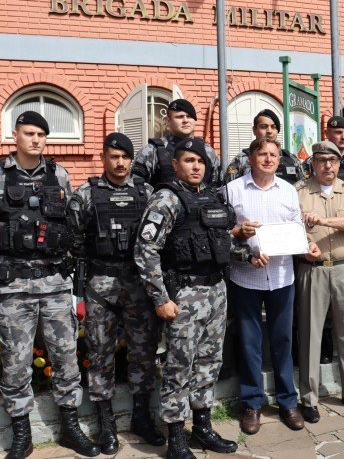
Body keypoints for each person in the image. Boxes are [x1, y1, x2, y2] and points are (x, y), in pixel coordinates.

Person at [0, 111, 99, 458]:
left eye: (41, 134)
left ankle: (70, 427)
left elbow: (71, 223)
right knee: (15, 360)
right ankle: (22, 434)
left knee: (67, 356)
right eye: (29, 133)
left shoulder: (60, 175)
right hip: (14, 287)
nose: (36, 139)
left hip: (55, 284)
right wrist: (4, 260)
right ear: (15, 136)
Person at [133, 138, 240, 459]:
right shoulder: (165, 200)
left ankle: (203, 428)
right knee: (179, 366)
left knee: (209, 363)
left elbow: (219, 243)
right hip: (184, 294)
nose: (196, 167)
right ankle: (176, 436)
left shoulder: (211, 197)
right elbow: (145, 250)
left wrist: (249, 255)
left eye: (201, 162)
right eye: (189, 161)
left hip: (216, 292)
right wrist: (160, 298)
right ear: (176, 165)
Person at [67, 132, 163, 455]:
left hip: (137, 284)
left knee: (143, 351)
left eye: (125, 157)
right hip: (101, 286)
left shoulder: (146, 192)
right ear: (104, 158)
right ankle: (106, 423)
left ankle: (141, 416)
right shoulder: (86, 194)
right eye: (113, 156)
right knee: (100, 353)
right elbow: (73, 237)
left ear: (131, 159)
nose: (120, 162)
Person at [225, 137, 321, 435]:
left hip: (281, 277)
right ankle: (252, 404)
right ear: (251, 158)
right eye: (262, 154)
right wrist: (242, 242)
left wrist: (309, 246)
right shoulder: (232, 189)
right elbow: (222, 233)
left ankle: (287, 402)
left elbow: (296, 229)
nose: (268, 159)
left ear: (279, 160)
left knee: (283, 342)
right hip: (246, 277)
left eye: (273, 155)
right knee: (250, 344)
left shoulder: (289, 191)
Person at [295, 141, 344, 423]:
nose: (328, 165)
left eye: (333, 160)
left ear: (340, 163)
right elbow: (293, 224)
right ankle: (309, 398)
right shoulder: (299, 192)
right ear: (312, 164)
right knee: (310, 334)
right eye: (321, 160)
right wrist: (306, 241)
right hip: (312, 269)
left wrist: (322, 222)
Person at [132, 98, 221, 188]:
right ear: (168, 121)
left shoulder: (208, 152)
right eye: (180, 117)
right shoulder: (152, 151)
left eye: (189, 116)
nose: (185, 120)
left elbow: (218, 186)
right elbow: (137, 186)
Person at [223, 109, 305, 185]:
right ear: (254, 130)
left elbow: (303, 189)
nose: (269, 131)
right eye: (264, 127)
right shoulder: (241, 160)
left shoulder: (292, 159)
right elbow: (228, 190)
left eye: (273, 127)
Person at [303, 115, 344, 183]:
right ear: (327, 134)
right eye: (338, 132)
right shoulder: (312, 162)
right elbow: (305, 188)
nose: (343, 137)